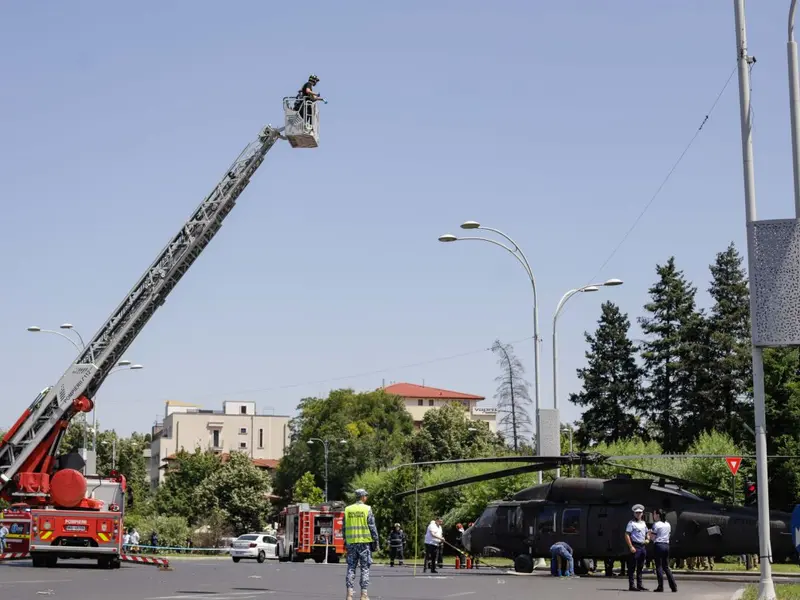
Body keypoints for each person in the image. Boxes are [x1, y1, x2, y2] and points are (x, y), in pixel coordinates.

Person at [343, 488, 379, 600]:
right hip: (364, 543)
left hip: (351, 543)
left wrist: (345, 541)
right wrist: (376, 540)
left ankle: (349, 594)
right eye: (366, 496)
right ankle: (364, 594)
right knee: (365, 568)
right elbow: (372, 526)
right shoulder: (367, 509)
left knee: (351, 568)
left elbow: (344, 527)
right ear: (362, 497)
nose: (366, 498)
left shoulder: (347, 509)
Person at [649, 510, 677, 592]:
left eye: (654, 514)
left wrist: (649, 534)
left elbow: (653, 538)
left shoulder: (656, 524)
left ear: (657, 515)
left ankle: (660, 586)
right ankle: (673, 586)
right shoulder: (667, 524)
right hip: (666, 545)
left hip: (659, 545)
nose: (653, 516)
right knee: (666, 566)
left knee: (659, 566)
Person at [625, 504, 649, 592]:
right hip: (635, 545)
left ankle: (639, 584)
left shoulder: (643, 523)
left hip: (642, 546)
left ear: (642, 513)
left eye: (640, 512)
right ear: (634, 514)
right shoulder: (631, 523)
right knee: (632, 567)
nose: (638, 514)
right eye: (637, 513)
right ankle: (631, 585)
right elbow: (627, 534)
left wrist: (648, 539)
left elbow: (647, 532)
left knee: (640, 567)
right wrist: (631, 546)